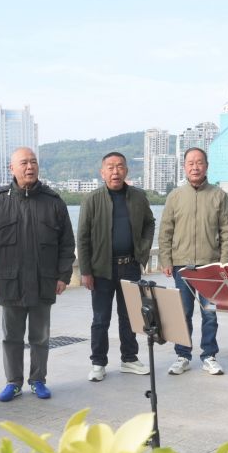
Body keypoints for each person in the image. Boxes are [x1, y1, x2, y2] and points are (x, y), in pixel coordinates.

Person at [0, 147, 76, 401]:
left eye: (33, 162)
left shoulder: (53, 202)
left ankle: (38, 379)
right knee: (11, 336)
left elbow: (67, 243)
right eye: (23, 163)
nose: (29, 167)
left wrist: (63, 275)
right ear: (12, 168)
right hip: (10, 282)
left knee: (40, 336)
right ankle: (13, 382)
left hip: (44, 281)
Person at [78, 152, 155, 381]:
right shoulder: (92, 199)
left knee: (130, 316)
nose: (115, 171)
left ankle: (129, 358)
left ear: (126, 170)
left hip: (129, 265)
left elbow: (150, 223)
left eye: (120, 166)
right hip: (101, 269)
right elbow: (82, 237)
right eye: (110, 167)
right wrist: (85, 271)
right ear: (102, 173)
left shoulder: (138, 197)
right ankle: (98, 363)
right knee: (101, 319)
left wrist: (142, 250)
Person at [157, 147, 228, 375]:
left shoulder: (218, 195)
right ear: (184, 167)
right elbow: (165, 231)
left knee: (210, 313)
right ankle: (182, 355)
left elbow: (227, 231)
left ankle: (209, 355)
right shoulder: (175, 196)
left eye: (199, 162)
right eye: (190, 163)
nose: (195, 167)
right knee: (183, 312)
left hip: (211, 268)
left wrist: (224, 263)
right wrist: (166, 259)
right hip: (183, 266)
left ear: (206, 166)